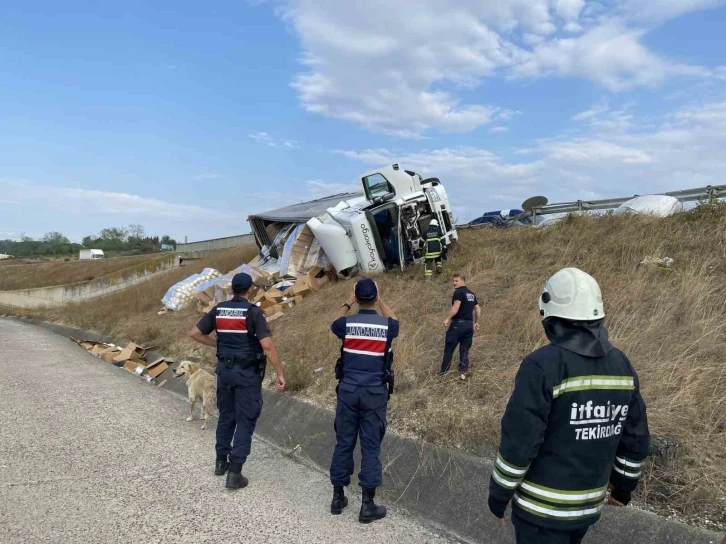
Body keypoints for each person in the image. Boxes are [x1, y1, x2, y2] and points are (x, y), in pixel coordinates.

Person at [487, 267, 650, 544]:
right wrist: (623, 489)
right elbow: (635, 438)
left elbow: (520, 442)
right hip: (586, 510)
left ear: (550, 315)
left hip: (540, 513)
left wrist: (499, 495)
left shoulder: (541, 366)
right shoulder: (622, 365)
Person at [189, 272, 286, 490]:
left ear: (231, 289)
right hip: (246, 374)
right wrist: (280, 372)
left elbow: (195, 333)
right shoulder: (253, 312)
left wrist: (218, 345)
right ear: (250, 289)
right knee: (245, 420)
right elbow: (267, 346)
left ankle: (220, 462)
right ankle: (235, 473)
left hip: (224, 372)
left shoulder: (219, 309)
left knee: (226, 416)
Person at [329, 278, 399, 523]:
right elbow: (395, 321)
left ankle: (338, 498)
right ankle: (367, 505)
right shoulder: (386, 326)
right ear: (376, 297)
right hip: (374, 394)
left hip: (348, 392)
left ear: (357, 297)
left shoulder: (346, 324)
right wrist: (381, 301)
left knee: (344, 443)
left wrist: (347, 303)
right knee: (370, 447)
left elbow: (334, 322)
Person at [440, 274, 480, 379]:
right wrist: (476, 322)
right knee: (465, 350)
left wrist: (448, 318)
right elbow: (478, 309)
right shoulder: (471, 294)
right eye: (453, 281)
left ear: (462, 281)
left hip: (458, 324)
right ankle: (463, 373)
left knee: (449, 349)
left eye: (456, 281)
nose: (454, 283)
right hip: (468, 326)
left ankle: (443, 373)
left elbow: (456, 307)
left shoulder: (458, 292)